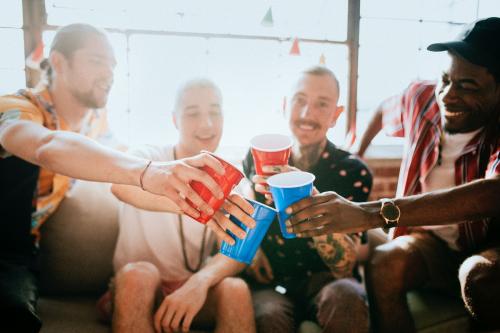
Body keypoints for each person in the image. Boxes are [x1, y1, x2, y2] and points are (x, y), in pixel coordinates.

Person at [0, 24, 247, 332]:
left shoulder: (94, 125)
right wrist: (148, 172)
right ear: (60, 63)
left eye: (113, 64)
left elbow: (118, 164)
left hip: (21, 253)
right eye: (96, 61)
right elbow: (45, 145)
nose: (109, 72)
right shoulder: (16, 107)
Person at [285, 17, 500, 332]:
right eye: (445, 79)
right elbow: (385, 109)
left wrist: (369, 213)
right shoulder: (422, 98)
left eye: (467, 86)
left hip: (489, 244)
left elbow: (493, 193)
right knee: (385, 261)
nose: (448, 96)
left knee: (478, 276)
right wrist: (356, 149)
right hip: (429, 243)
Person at [105, 78, 256, 333]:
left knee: (235, 289)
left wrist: (199, 282)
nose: (206, 124)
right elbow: (118, 186)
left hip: (191, 293)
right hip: (137, 288)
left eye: (214, 112)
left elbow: (237, 251)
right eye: (192, 113)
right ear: (175, 120)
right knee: (138, 275)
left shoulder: (236, 182)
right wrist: (193, 204)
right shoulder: (149, 155)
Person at [242, 66, 373, 332]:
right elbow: (245, 207)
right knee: (267, 314)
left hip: (325, 280)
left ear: (336, 115)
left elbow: (346, 264)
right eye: (299, 100)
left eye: (321, 104)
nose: (306, 114)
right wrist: (252, 251)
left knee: (346, 295)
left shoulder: (353, 171)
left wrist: (308, 197)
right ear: (284, 105)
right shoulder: (257, 157)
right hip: (271, 282)